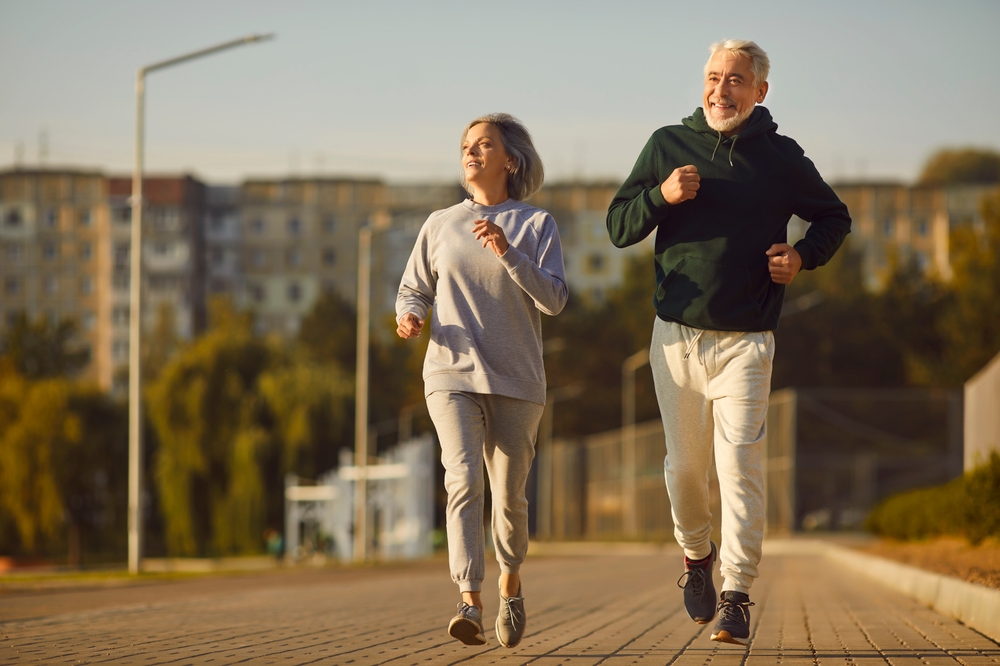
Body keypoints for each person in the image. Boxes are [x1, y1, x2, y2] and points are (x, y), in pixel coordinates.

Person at [606, 40, 851, 645]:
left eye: (735, 80)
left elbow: (834, 217)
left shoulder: (782, 157)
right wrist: (661, 197)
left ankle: (737, 593)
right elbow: (616, 226)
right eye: (714, 78)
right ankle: (696, 556)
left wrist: (802, 256)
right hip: (676, 340)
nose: (721, 90)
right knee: (686, 469)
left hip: (748, 340)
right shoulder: (668, 144)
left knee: (738, 468)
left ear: (759, 91)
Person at [396, 113, 568, 648]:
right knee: (463, 479)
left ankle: (510, 582)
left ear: (509, 160)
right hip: (450, 371)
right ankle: (469, 598)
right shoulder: (440, 223)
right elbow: (413, 288)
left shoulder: (536, 226)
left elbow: (555, 300)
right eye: (466, 145)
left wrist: (506, 251)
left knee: (510, 499)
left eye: (483, 144)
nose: (470, 152)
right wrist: (410, 314)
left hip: (517, 380)